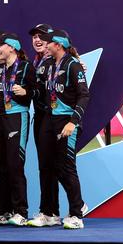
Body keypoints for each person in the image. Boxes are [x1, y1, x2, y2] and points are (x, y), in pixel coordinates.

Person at [0, 32, 35, 227]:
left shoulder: (26, 66)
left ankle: (20, 211)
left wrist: (27, 92)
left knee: (14, 164)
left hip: (16, 116)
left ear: (11, 47)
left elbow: (40, 90)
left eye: (0, 45)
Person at [37, 29, 89, 229]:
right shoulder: (49, 64)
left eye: (48, 42)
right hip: (50, 119)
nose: (45, 45)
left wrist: (73, 122)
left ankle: (76, 214)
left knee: (67, 168)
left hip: (66, 121)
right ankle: (52, 213)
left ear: (57, 45)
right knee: (52, 167)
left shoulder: (73, 65)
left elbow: (84, 95)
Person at [25, 24, 62, 227]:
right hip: (41, 117)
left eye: (42, 37)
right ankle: (49, 212)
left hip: (55, 118)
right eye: (34, 37)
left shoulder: (57, 62)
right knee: (45, 167)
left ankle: (70, 207)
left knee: (55, 167)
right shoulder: (37, 61)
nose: (37, 40)